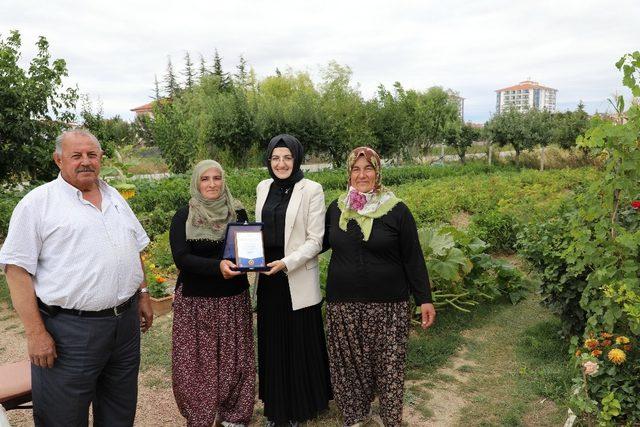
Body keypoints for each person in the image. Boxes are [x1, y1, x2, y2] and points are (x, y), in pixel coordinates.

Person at [0, 129, 153, 426]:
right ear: (59, 160)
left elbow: (133, 246)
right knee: (63, 416)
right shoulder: (37, 204)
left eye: (91, 155)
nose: (86, 161)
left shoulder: (115, 196)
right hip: (70, 331)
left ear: (100, 158)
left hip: (124, 326)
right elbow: (16, 271)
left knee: (119, 411)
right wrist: (35, 333)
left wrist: (144, 294)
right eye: (76, 155)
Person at [323, 146, 436, 427]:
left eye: (368, 168)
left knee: (389, 367)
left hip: (389, 306)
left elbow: (413, 257)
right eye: (356, 169)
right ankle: (355, 416)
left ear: (378, 172)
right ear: (348, 173)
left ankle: (390, 419)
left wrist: (424, 299)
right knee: (349, 366)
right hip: (343, 304)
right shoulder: (336, 208)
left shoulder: (397, 210)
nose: (362, 175)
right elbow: (315, 243)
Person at [169, 159, 255, 427]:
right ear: (196, 182)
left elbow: (247, 250)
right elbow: (182, 258)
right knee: (197, 365)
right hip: (196, 301)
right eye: (205, 179)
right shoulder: (184, 216)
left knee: (235, 360)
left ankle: (234, 416)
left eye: (217, 178)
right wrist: (217, 267)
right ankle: (200, 415)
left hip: (232, 299)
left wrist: (251, 261)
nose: (212, 184)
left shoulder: (238, 212)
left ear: (223, 180)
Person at [255, 134, 332, 426]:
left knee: (298, 342)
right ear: (269, 161)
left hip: (294, 275)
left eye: (287, 157)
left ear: (297, 158)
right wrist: (252, 255)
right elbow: (259, 230)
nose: (281, 163)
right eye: (275, 158)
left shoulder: (311, 189)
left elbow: (316, 241)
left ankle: (300, 406)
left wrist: (286, 263)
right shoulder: (263, 187)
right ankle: (277, 408)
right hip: (267, 277)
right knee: (272, 341)